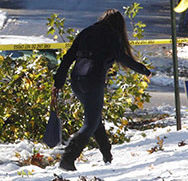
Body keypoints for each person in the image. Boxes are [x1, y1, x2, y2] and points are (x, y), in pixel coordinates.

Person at [52, 9, 151, 171]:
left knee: (95, 116)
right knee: (90, 123)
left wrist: (58, 82)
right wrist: (144, 70)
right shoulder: (113, 35)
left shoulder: (87, 31)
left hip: (76, 79)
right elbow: (122, 57)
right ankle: (67, 159)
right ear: (119, 25)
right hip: (93, 78)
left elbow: (68, 57)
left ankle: (107, 155)